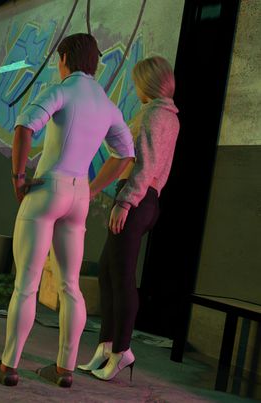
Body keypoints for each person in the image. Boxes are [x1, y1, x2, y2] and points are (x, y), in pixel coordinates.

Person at [0, 33, 135, 388]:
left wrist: (19, 178)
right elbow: (125, 154)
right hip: (78, 195)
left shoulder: (62, 90)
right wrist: (92, 189)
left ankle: (8, 366)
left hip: (48, 189)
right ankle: (65, 369)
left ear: (65, 58)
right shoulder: (107, 104)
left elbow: (24, 126)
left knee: (26, 285)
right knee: (70, 286)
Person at [78, 56, 180, 381]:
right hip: (145, 199)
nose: (135, 88)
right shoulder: (169, 117)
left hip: (135, 198)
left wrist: (124, 201)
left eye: (137, 82)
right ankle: (106, 347)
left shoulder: (153, 115)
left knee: (120, 277)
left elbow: (146, 164)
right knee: (108, 272)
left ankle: (121, 350)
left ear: (147, 83)